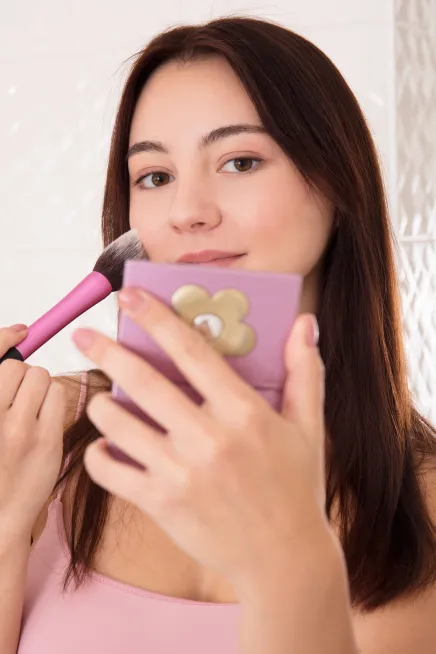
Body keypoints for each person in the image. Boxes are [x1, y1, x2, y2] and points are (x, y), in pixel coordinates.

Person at [1, 15, 435, 654]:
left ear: (338, 184)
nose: (187, 211)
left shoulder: (422, 506)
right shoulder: (38, 438)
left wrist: (290, 563)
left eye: (240, 161)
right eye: (155, 176)